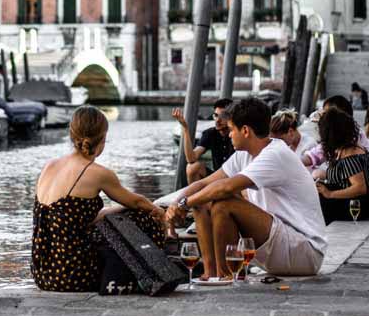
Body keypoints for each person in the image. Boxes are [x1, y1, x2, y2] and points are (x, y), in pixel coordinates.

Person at [165, 98, 327, 278]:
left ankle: (224, 276)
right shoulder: (243, 155)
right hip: (281, 243)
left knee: (223, 203)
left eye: (232, 129)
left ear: (245, 131)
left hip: (305, 252)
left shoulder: (275, 154)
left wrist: (184, 205)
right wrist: (176, 203)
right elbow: (203, 184)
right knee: (202, 198)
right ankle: (210, 273)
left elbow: (225, 188)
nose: (229, 135)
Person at [32, 105, 166, 292]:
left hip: (44, 274)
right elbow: (137, 202)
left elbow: (73, 219)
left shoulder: (50, 166)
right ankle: (148, 274)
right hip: (73, 275)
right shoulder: (97, 173)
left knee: (119, 216)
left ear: (72, 134)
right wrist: (160, 213)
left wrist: (119, 209)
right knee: (145, 216)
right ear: (102, 139)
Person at [315, 107, 369, 225]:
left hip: (354, 207)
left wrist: (329, 194)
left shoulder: (349, 154)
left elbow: (360, 187)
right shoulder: (351, 147)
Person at [303, 95, 369, 178]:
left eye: (326, 114)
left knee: (317, 174)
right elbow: (315, 154)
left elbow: (358, 185)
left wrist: (328, 188)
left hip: (356, 181)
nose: (322, 118)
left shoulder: (351, 140)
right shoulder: (339, 135)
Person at [172, 98, 234, 184]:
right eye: (215, 115)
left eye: (222, 116)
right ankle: (195, 196)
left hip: (236, 180)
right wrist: (185, 128)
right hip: (217, 178)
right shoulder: (210, 133)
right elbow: (191, 158)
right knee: (192, 167)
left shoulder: (238, 134)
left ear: (231, 117)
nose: (217, 120)